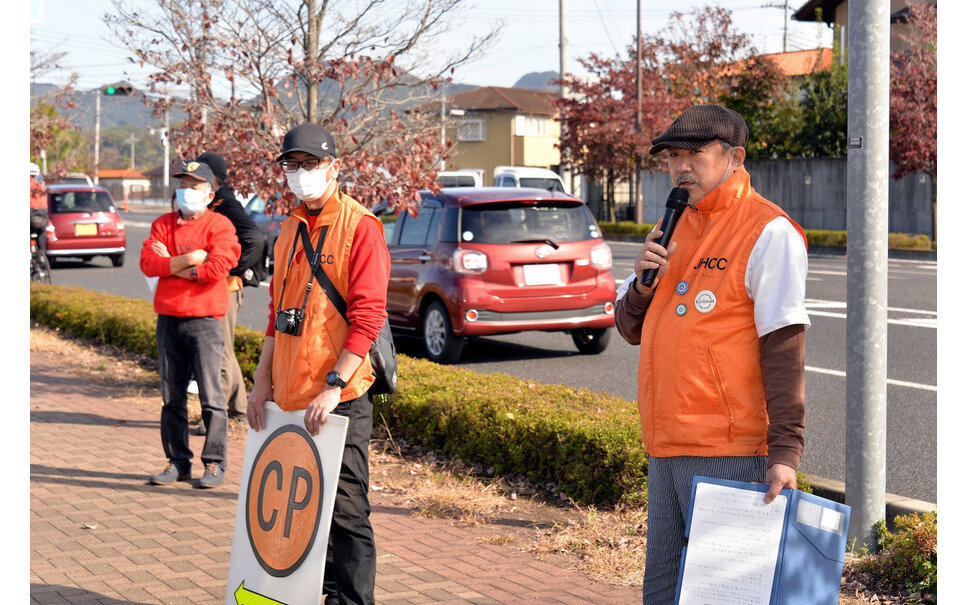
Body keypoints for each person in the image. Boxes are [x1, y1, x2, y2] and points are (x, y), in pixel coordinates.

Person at [613, 104, 809, 604]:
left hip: (729, 450)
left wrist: (785, 452)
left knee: (724, 594)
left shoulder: (768, 231)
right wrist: (639, 284)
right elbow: (631, 328)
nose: (680, 166)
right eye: (672, 155)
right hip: (666, 443)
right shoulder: (672, 225)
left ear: (734, 156)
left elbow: (783, 348)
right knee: (661, 589)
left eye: (693, 154)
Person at [247, 123, 389, 605]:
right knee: (303, 515)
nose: (301, 174)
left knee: (346, 515)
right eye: (292, 165)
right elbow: (274, 318)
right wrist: (259, 384)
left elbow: (368, 318)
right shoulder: (287, 228)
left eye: (311, 164)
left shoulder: (360, 226)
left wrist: (334, 386)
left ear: (334, 166)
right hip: (289, 395)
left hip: (338, 397)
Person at [140, 161, 241, 489]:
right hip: (169, 320)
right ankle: (177, 462)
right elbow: (147, 263)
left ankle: (214, 463)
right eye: (182, 184)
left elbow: (220, 266)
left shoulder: (220, 225)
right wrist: (190, 259)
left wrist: (169, 262)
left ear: (210, 194)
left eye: (194, 186)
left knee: (211, 397)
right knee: (172, 397)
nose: (186, 191)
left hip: (205, 322)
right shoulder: (162, 224)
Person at [193, 151, 267, 428]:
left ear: (211, 177)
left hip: (225, 286)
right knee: (223, 348)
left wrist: (232, 270)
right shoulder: (215, 200)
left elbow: (255, 240)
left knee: (218, 349)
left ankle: (217, 413)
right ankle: (237, 408)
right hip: (219, 286)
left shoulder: (224, 203)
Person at [30, 162, 48, 251]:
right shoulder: (40, 187)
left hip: (31, 215)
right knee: (41, 233)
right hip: (42, 216)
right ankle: (42, 255)